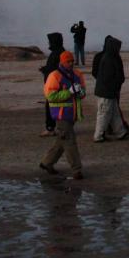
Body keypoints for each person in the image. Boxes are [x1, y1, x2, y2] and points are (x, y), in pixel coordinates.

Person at [39, 50, 86, 179]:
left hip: (73, 114)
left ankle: (47, 163)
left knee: (62, 140)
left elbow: (83, 94)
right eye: (68, 61)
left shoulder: (78, 74)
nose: (71, 63)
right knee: (70, 141)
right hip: (60, 115)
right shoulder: (54, 76)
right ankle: (77, 170)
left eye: (72, 61)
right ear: (62, 62)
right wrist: (69, 92)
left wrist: (80, 91)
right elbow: (50, 96)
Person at [93, 35, 128, 142]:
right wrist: (115, 85)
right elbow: (108, 78)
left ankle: (120, 131)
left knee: (114, 112)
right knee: (104, 113)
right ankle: (98, 136)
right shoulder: (108, 59)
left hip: (109, 91)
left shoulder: (111, 57)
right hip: (106, 92)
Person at [39, 32, 65, 137]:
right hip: (55, 85)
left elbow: (56, 70)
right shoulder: (59, 52)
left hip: (55, 86)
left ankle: (51, 128)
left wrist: (45, 70)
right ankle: (59, 127)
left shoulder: (58, 53)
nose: (48, 43)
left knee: (51, 107)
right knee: (56, 107)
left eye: (50, 41)